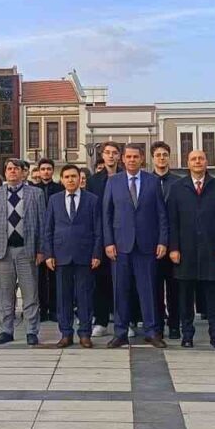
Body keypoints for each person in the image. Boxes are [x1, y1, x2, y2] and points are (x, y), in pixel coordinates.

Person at [101, 144, 169, 348]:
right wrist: (108, 242)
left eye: (135, 157)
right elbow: (107, 215)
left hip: (147, 245)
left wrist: (163, 241)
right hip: (120, 246)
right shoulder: (113, 182)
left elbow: (161, 214)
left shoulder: (153, 181)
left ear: (142, 159)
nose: (131, 160)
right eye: (128, 157)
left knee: (148, 290)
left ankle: (152, 331)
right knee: (120, 290)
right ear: (123, 159)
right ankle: (120, 332)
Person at [167, 150, 215, 349]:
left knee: (212, 294)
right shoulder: (178, 187)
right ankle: (187, 334)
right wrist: (174, 248)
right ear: (188, 163)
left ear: (206, 162)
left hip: (211, 250)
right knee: (186, 295)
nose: (197, 162)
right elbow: (172, 220)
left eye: (201, 158)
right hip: (185, 251)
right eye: (193, 159)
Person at [0, 158, 45, 346]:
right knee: (4, 294)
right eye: (8, 168)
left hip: (27, 250)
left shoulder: (35, 193)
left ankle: (31, 331)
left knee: (30, 293)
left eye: (15, 169)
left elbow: (42, 224)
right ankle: (6, 330)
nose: (12, 171)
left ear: (23, 172)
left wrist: (42, 249)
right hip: (3, 252)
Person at [44, 163, 102, 348]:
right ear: (61, 180)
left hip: (85, 254)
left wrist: (96, 253)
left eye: (74, 177)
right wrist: (49, 254)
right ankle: (66, 333)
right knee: (63, 296)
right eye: (67, 177)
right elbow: (48, 229)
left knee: (84, 295)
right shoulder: (54, 200)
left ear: (80, 179)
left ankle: (85, 333)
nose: (70, 180)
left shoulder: (92, 200)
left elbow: (98, 230)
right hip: (61, 255)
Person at [86, 141, 123, 337]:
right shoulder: (94, 181)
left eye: (114, 153)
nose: (110, 156)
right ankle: (101, 320)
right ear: (102, 155)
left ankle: (125, 320)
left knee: (124, 281)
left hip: (124, 236)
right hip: (101, 237)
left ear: (119, 156)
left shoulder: (127, 177)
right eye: (107, 153)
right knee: (101, 281)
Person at [150, 141, 179, 337]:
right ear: (153, 158)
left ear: (169, 157)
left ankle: (175, 324)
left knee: (175, 286)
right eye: (158, 155)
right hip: (152, 243)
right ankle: (158, 324)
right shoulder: (145, 181)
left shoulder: (179, 182)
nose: (161, 158)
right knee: (155, 286)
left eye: (164, 154)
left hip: (175, 241)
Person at [30, 158, 63, 325]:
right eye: (43, 169)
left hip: (56, 237)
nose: (46, 172)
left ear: (53, 171)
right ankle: (42, 310)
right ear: (39, 171)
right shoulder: (33, 190)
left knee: (55, 277)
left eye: (49, 169)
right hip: (38, 238)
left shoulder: (60, 188)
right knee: (40, 278)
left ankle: (55, 309)